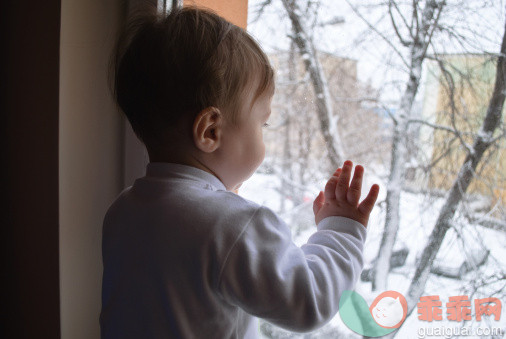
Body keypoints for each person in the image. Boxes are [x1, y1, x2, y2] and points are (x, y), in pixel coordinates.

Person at [100, 6, 380, 339]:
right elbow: (309, 300)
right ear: (210, 132)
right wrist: (341, 232)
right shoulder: (230, 226)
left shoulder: (122, 211)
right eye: (262, 123)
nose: (264, 136)